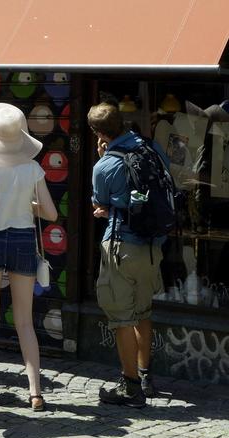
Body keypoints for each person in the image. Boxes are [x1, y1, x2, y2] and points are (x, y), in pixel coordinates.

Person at [0, 103, 58, 412]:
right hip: (22, 239)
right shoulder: (32, 168)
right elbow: (51, 212)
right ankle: (35, 391)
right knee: (25, 321)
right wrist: (27, 205)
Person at [89, 102, 167, 407]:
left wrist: (102, 158)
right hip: (152, 247)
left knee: (121, 318)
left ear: (97, 132)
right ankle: (146, 376)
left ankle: (130, 387)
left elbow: (100, 203)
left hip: (121, 245)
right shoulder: (152, 148)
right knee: (143, 312)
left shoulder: (105, 165)